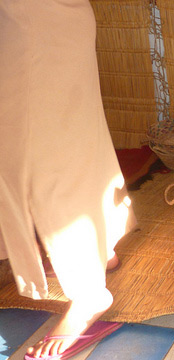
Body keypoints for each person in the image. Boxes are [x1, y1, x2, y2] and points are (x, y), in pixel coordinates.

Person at [0, 0, 137, 358]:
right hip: (43, 19)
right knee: (68, 133)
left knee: (44, 153)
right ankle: (100, 247)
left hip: (34, 23)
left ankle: (90, 292)